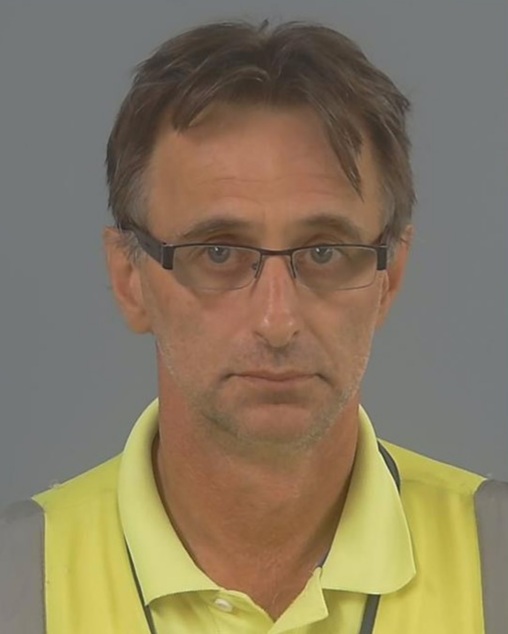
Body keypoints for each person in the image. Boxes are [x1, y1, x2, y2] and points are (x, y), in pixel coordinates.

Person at [0, 19, 506, 634]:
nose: (276, 320)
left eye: (324, 252)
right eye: (218, 252)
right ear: (130, 278)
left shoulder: (498, 561)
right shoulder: (13, 582)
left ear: (389, 277)